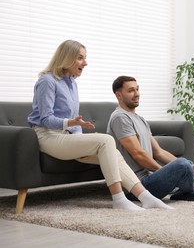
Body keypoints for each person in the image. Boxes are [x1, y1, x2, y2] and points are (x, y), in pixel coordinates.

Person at [27, 40, 173, 211]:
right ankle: (119, 199)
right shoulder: (47, 81)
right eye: (80, 58)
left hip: (67, 137)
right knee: (106, 141)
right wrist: (70, 122)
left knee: (114, 152)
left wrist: (78, 139)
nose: (85, 63)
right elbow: (45, 119)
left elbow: (75, 122)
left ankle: (146, 197)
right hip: (47, 136)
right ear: (67, 58)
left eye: (85, 58)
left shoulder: (72, 83)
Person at [107, 76, 194, 201]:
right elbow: (138, 154)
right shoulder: (120, 118)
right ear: (119, 95)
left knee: (186, 163)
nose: (137, 94)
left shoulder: (139, 119)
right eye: (131, 90)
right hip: (135, 186)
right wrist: (165, 171)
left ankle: (186, 191)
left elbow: (159, 152)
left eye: (137, 89)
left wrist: (184, 167)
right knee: (180, 165)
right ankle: (188, 191)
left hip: (148, 178)